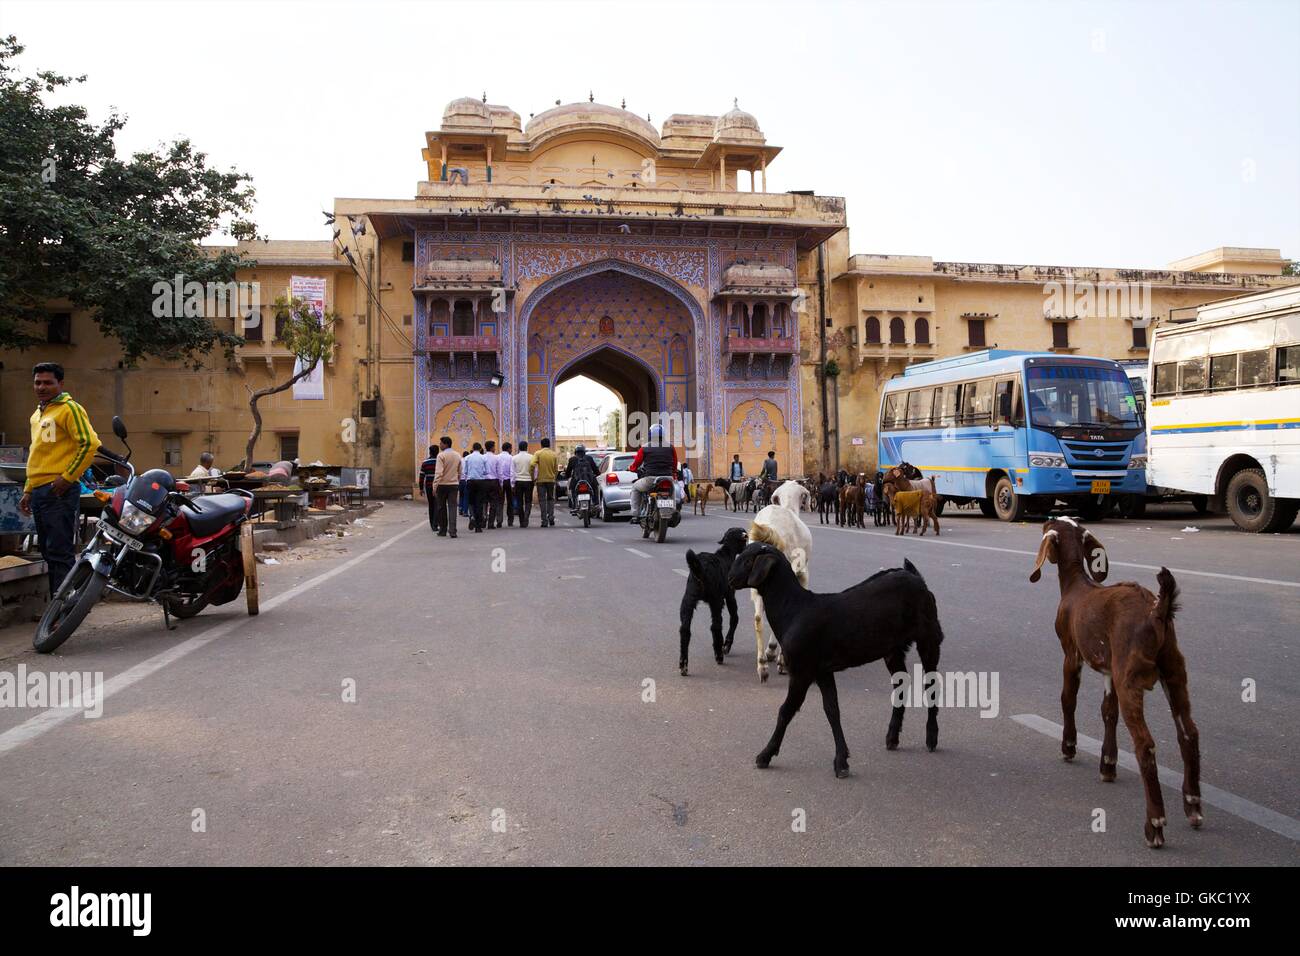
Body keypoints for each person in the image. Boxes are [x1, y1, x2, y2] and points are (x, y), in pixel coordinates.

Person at [20, 363, 101, 598]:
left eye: (47, 382)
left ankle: (62, 609)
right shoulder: (37, 415)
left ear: (60, 384)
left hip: (59, 492)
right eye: (38, 382)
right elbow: (37, 454)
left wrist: (67, 478)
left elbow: (90, 444)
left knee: (60, 551)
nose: (41, 387)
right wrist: (28, 489)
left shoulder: (70, 409)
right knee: (46, 550)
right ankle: (57, 605)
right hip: (39, 492)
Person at [627, 423, 677, 526]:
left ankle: (635, 514)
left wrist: (631, 468)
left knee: (635, 488)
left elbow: (636, 464)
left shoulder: (644, 448)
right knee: (672, 491)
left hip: (650, 479)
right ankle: (673, 511)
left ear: (650, 435)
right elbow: (675, 464)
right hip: (667, 478)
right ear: (663, 435)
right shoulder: (671, 448)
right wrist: (674, 474)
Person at [431, 436, 462, 538]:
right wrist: (457, 480)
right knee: (453, 507)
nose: (440, 445)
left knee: (441, 507)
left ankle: (443, 530)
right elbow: (460, 471)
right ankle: (453, 531)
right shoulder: (457, 455)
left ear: (446, 444)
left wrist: (434, 486)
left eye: (441, 443)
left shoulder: (441, 456)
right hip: (453, 484)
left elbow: (438, 473)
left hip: (442, 485)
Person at [463, 442, 491, 532]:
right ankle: (478, 526)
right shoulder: (483, 458)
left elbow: (465, 471)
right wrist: (480, 472)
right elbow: (487, 471)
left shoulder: (467, 458)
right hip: (481, 482)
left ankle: (472, 517)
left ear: (473, 448)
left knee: (471, 502)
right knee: (479, 503)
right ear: (480, 449)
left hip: (470, 481)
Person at [531, 437, 558, 527]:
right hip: (551, 480)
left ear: (541, 445)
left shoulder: (538, 453)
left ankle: (544, 521)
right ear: (549, 445)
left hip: (540, 480)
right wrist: (554, 477)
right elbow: (556, 469)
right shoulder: (554, 454)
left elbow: (532, 464)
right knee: (551, 499)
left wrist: (533, 476)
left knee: (542, 500)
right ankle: (551, 517)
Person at [566, 443, 600, 511]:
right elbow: (595, 470)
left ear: (576, 452)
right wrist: (598, 473)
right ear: (584, 451)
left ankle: (575, 505)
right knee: (595, 487)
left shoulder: (572, 459)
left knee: (572, 489)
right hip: (589, 480)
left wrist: (567, 476)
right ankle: (596, 503)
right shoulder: (589, 458)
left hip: (576, 480)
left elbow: (568, 472)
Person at [512, 440, 535, 527]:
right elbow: (535, 470)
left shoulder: (514, 458)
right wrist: (534, 479)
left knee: (519, 501)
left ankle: (522, 520)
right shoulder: (531, 457)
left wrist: (513, 484)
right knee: (528, 501)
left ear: (519, 447)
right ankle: (526, 517)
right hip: (529, 481)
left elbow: (512, 472)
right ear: (526, 447)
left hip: (518, 481)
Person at [418, 443, 440, 533]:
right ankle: (436, 523)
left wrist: (420, 488)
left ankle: (432, 524)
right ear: (437, 452)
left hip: (428, 486)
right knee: (438, 505)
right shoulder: (440, 461)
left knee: (431, 505)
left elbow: (421, 476)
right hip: (438, 486)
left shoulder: (425, 462)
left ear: (430, 452)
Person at [496, 441, 516, 528]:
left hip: (500, 481)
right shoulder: (511, 458)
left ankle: (499, 520)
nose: (511, 450)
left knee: (500, 502)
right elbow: (512, 472)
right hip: (508, 481)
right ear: (508, 449)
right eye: (511, 448)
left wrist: (499, 483)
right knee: (510, 502)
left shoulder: (497, 457)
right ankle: (510, 521)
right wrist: (513, 484)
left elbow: (497, 470)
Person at [458, 448, 470, 517]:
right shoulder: (468, 460)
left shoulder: (460, 460)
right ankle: (465, 511)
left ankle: (460, 509)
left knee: (461, 495)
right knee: (466, 496)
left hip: (460, 480)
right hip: (466, 480)